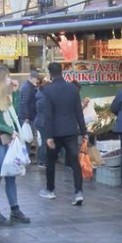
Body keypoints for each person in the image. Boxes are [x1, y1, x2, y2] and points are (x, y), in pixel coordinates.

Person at [0, 65, 30, 226]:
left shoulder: (3, 95)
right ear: (0, 79)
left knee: (10, 176)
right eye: (7, 77)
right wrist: (7, 129)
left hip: (5, 139)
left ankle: (15, 210)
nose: (10, 79)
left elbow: (12, 112)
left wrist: (14, 93)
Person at [39, 63, 87, 205]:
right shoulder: (73, 89)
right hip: (71, 131)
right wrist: (84, 131)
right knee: (74, 161)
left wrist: (48, 136)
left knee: (51, 162)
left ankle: (50, 190)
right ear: (62, 72)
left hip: (55, 131)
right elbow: (79, 112)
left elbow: (48, 115)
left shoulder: (48, 91)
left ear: (50, 73)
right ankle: (78, 192)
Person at [33, 79, 49, 168]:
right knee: (43, 142)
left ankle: (41, 160)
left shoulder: (40, 96)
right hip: (42, 122)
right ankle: (42, 161)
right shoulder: (43, 98)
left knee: (42, 142)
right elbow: (45, 110)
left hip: (40, 121)